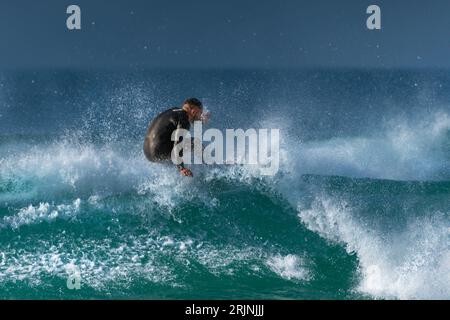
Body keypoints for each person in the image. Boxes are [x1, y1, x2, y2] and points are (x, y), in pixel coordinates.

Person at [143, 98, 209, 177]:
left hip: (148, 154)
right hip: (159, 152)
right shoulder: (184, 118)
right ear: (193, 111)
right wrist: (181, 168)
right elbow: (178, 144)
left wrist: (201, 120)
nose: (200, 115)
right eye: (200, 112)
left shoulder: (174, 111)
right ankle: (210, 167)